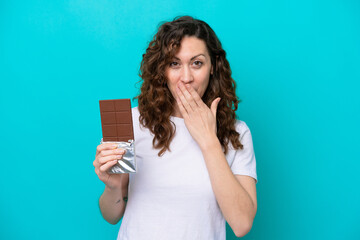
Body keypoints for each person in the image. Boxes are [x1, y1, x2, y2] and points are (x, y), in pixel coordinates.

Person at [93, 16, 258, 239]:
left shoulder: (237, 132)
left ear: (213, 67)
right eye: (174, 63)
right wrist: (113, 186)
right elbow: (111, 216)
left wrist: (208, 140)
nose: (186, 77)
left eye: (197, 63)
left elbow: (242, 224)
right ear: (162, 70)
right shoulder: (128, 121)